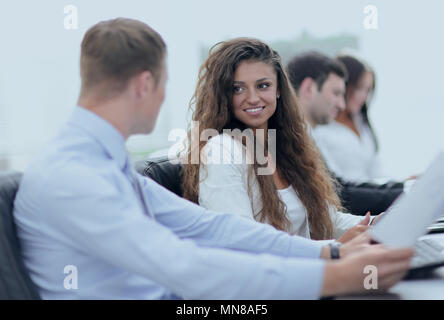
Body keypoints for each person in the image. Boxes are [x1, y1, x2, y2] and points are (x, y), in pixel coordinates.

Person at [13, 18, 413, 300]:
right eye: (165, 84)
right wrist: (332, 276)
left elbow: (213, 228)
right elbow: (182, 264)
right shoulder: (73, 175)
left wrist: (333, 253)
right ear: (146, 83)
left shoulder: (100, 161)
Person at [180, 38, 376, 242]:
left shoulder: (285, 145)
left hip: (312, 268)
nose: (253, 98)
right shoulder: (221, 151)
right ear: (223, 95)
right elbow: (241, 241)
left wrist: (373, 224)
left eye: (263, 86)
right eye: (238, 89)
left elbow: (327, 221)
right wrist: (333, 248)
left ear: (278, 89)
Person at [286, 51, 404, 215]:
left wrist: (404, 189)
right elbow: (340, 195)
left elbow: (339, 189)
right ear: (309, 89)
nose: (342, 105)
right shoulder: (289, 140)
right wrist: (404, 194)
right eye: (336, 93)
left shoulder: (307, 135)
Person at [312, 55, 384, 182]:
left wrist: (401, 185)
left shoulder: (361, 122)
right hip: (351, 197)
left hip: (378, 194)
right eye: (359, 88)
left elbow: (377, 173)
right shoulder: (322, 126)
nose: (364, 97)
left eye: (368, 90)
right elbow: (338, 184)